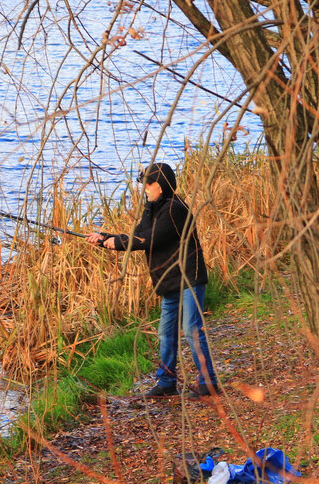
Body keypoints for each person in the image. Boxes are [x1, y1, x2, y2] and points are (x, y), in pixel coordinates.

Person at [86, 162, 220, 398]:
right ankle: (166, 382)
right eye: (144, 184)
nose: (145, 188)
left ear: (161, 185)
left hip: (188, 279)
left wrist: (119, 242)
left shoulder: (175, 210)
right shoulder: (153, 209)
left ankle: (208, 383)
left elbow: (151, 239)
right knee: (165, 334)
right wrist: (105, 237)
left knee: (191, 330)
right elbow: (138, 236)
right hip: (169, 283)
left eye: (149, 184)